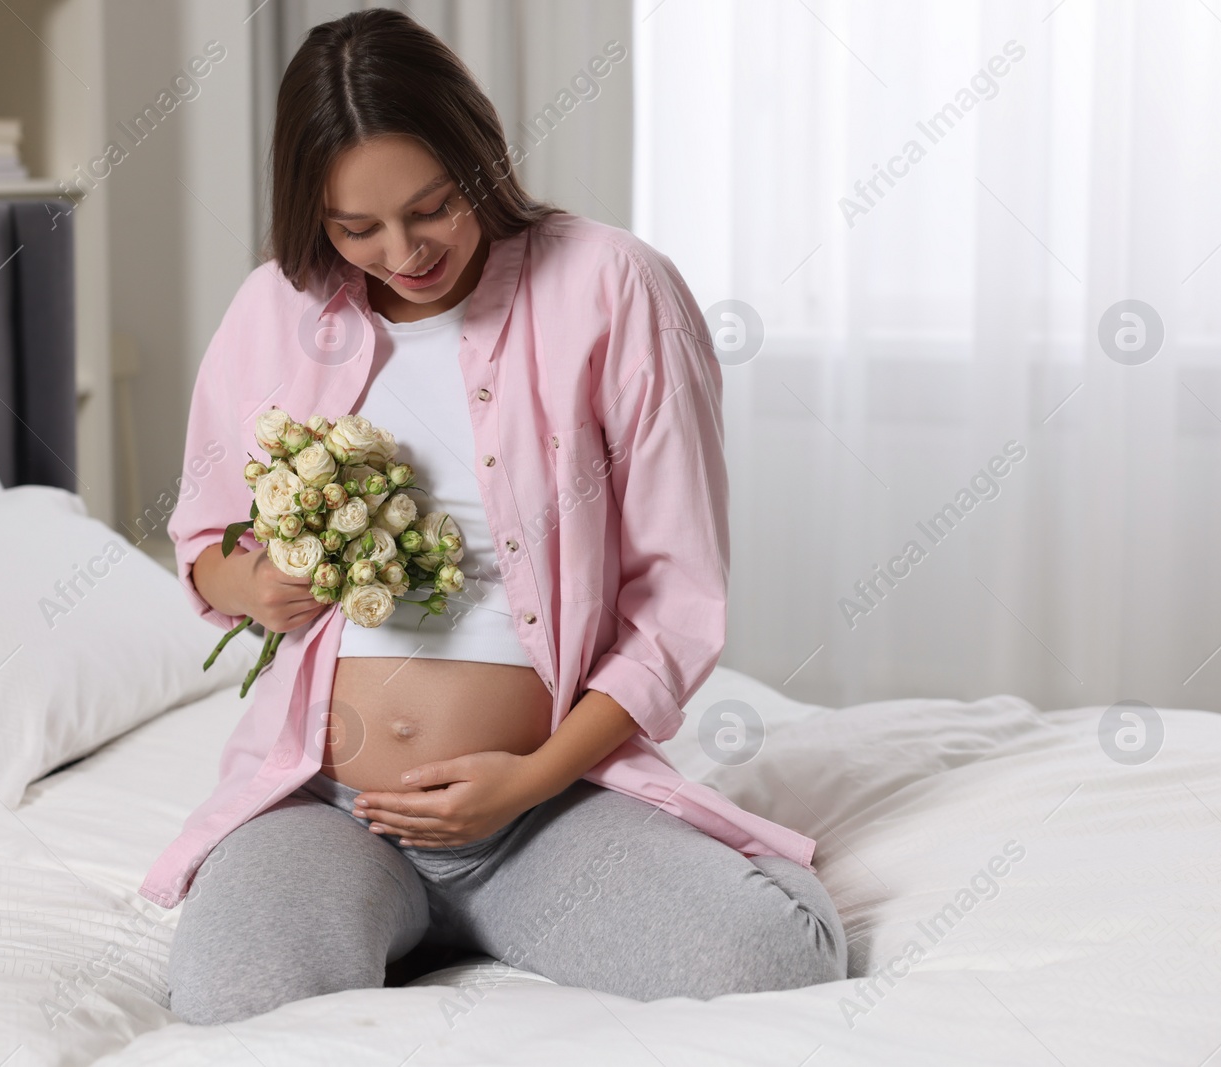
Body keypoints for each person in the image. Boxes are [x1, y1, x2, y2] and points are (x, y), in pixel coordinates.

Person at [144, 8, 847, 1025]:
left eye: (432, 206)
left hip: (543, 806)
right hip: (333, 805)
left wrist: (529, 779)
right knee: (231, 999)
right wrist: (251, 581)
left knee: (774, 954)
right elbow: (203, 540)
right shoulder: (276, 307)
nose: (402, 250)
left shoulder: (612, 287)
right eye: (357, 227)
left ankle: (489, 909)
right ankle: (388, 916)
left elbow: (676, 603)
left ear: (481, 152)